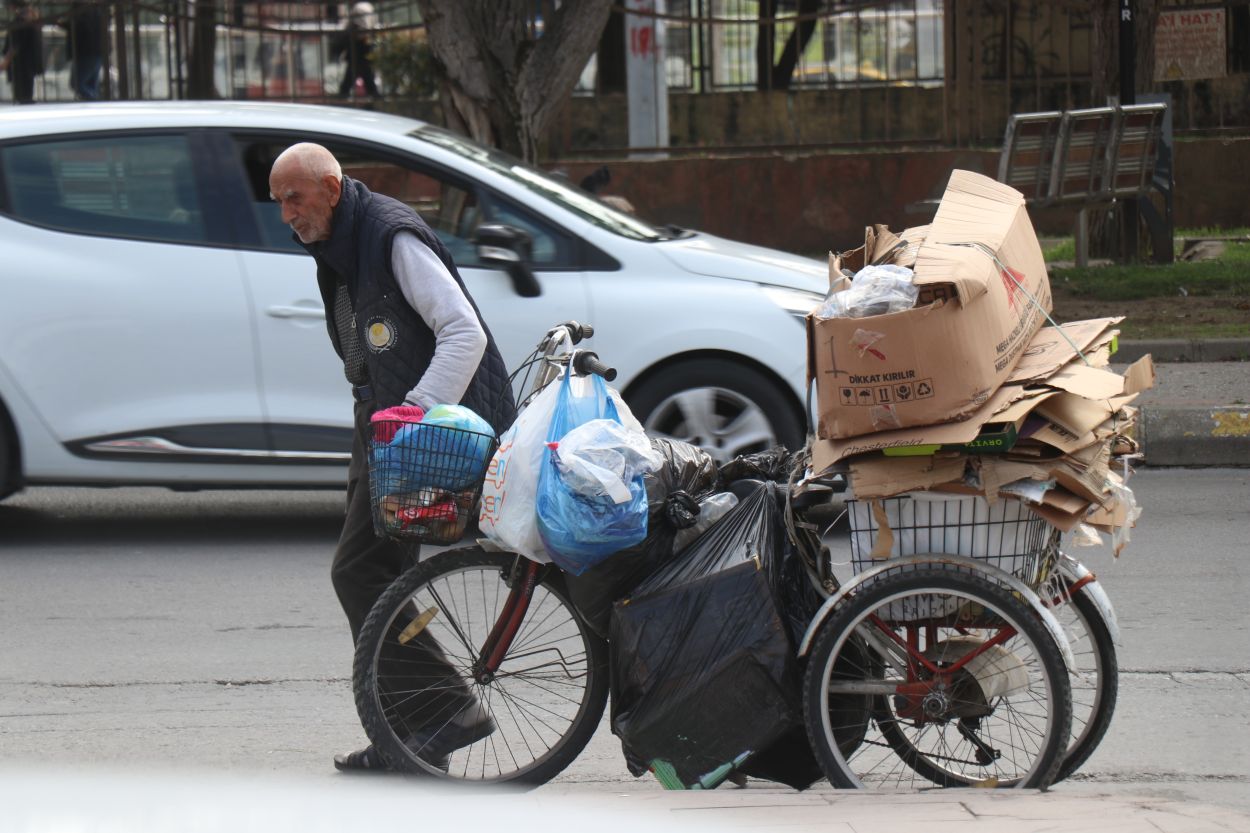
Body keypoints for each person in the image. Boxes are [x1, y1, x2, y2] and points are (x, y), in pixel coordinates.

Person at [268, 143, 516, 772]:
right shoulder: (340, 243)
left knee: (360, 571)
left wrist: (418, 407)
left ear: (330, 186)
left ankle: (443, 714)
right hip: (383, 421)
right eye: (278, 203)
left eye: (294, 199)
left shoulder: (390, 236)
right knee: (378, 577)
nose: (286, 215)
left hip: (423, 427)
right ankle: (409, 732)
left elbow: (465, 332)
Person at [331, 1, 378, 99]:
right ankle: (375, 99)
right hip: (359, 57)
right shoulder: (356, 26)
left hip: (360, 57)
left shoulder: (360, 12)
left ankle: (343, 99)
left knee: (362, 82)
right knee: (361, 82)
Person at [57, 0, 102, 100]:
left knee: (76, 83)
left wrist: (64, 24)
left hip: (85, 53)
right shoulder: (96, 10)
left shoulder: (82, 11)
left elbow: (80, 28)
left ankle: (95, 100)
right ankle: (94, 102)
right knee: (91, 84)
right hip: (97, 52)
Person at [1, 0, 44, 105]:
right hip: (29, 61)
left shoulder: (20, 22)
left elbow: (15, 44)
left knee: (21, 91)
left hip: (21, 62)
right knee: (27, 90)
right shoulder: (34, 21)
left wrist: (6, 61)